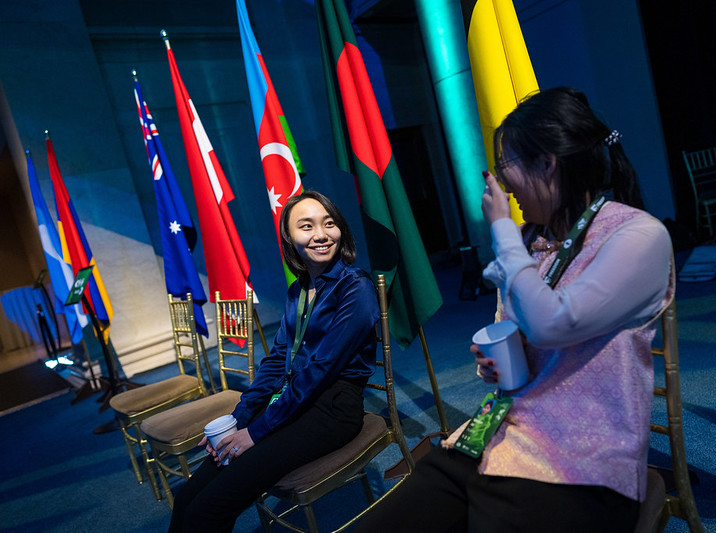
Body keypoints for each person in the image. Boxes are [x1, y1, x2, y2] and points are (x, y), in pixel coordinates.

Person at [354, 87, 674, 532]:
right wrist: (498, 364)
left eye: (507, 168)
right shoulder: (530, 241)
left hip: (578, 463)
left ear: (547, 163)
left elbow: (551, 323)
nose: (503, 186)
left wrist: (503, 228)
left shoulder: (638, 235)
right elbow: (521, 334)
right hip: (500, 435)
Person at [169, 190, 379, 532]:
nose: (321, 235)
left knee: (208, 508)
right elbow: (278, 358)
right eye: (306, 226)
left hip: (332, 409)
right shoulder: (299, 290)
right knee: (188, 497)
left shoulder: (355, 288)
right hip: (293, 401)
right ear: (290, 238)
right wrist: (240, 415)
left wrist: (256, 431)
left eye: (329, 223)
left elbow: (318, 371)